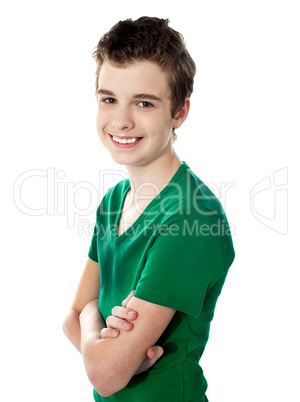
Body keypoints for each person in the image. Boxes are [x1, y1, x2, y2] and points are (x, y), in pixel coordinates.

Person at [63, 16, 235, 401]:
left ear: (179, 112)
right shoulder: (113, 202)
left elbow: (105, 376)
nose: (121, 121)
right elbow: (72, 316)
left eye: (144, 103)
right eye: (109, 99)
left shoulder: (192, 218)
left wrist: (102, 343)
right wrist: (100, 333)